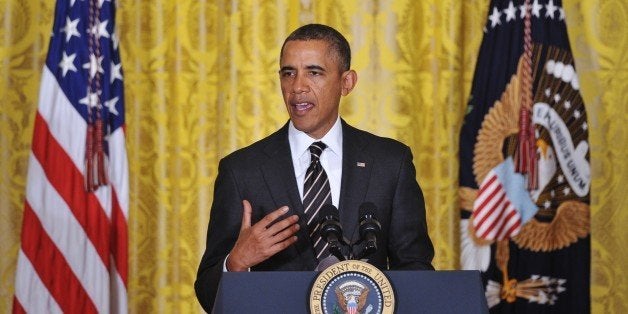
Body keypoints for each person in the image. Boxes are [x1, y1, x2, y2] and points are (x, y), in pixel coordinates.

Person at [194, 23, 434, 312]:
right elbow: (208, 295)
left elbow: (416, 271)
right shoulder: (241, 170)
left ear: (347, 82)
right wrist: (236, 263)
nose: (298, 87)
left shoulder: (390, 162)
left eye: (314, 72)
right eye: (288, 73)